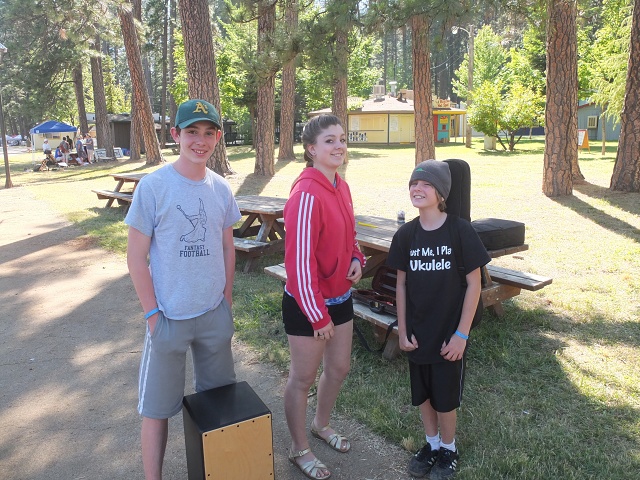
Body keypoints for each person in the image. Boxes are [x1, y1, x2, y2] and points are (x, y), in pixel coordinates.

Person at [125, 99, 240, 480]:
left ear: (218, 138)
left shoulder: (221, 188)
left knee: (219, 402)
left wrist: (225, 302)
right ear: (175, 134)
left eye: (208, 133)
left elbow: (227, 247)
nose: (200, 141)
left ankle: (220, 472)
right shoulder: (154, 187)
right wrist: (152, 315)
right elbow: (135, 257)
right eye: (192, 132)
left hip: (212, 315)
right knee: (156, 410)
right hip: (168, 318)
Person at [386, 160, 490, 480]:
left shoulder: (460, 231)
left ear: (441, 193)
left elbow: (475, 284)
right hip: (418, 333)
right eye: (414, 183)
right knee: (423, 394)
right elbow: (401, 285)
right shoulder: (406, 235)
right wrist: (403, 330)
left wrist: (462, 334)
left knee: (445, 398)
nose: (418, 188)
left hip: (449, 335)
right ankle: (431, 444)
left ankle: (448, 448)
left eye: (427, 184)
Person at [282, 114, 365, 480]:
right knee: (302, 378)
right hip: (307, 304)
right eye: (329, 140)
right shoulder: (305, 194)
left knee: (339, 368)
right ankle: (299, 448)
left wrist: (356, 257)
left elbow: (350, 234)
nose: (339, 146)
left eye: (342, 139)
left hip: (339, 297)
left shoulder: (340, 186)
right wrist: (318, 316)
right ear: (311, 149)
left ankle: (320, 424)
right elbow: (298, 265)